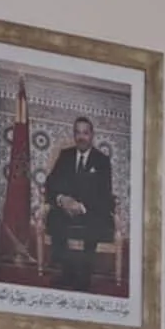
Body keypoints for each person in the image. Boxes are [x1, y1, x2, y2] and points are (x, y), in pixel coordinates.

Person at [42, 117, 115, 292]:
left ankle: (84, 276)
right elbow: (51, 183)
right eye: (78, 133)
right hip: (66, 209)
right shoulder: (65, 155)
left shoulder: (102, 161)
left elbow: (104, 193)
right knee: (54, 217)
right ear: (74, 135)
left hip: (90, 210)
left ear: (92, 135)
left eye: (85, 133)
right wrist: (62, 200)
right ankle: (66, 272)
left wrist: (81, 206)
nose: (81, 137)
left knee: (96, 221)